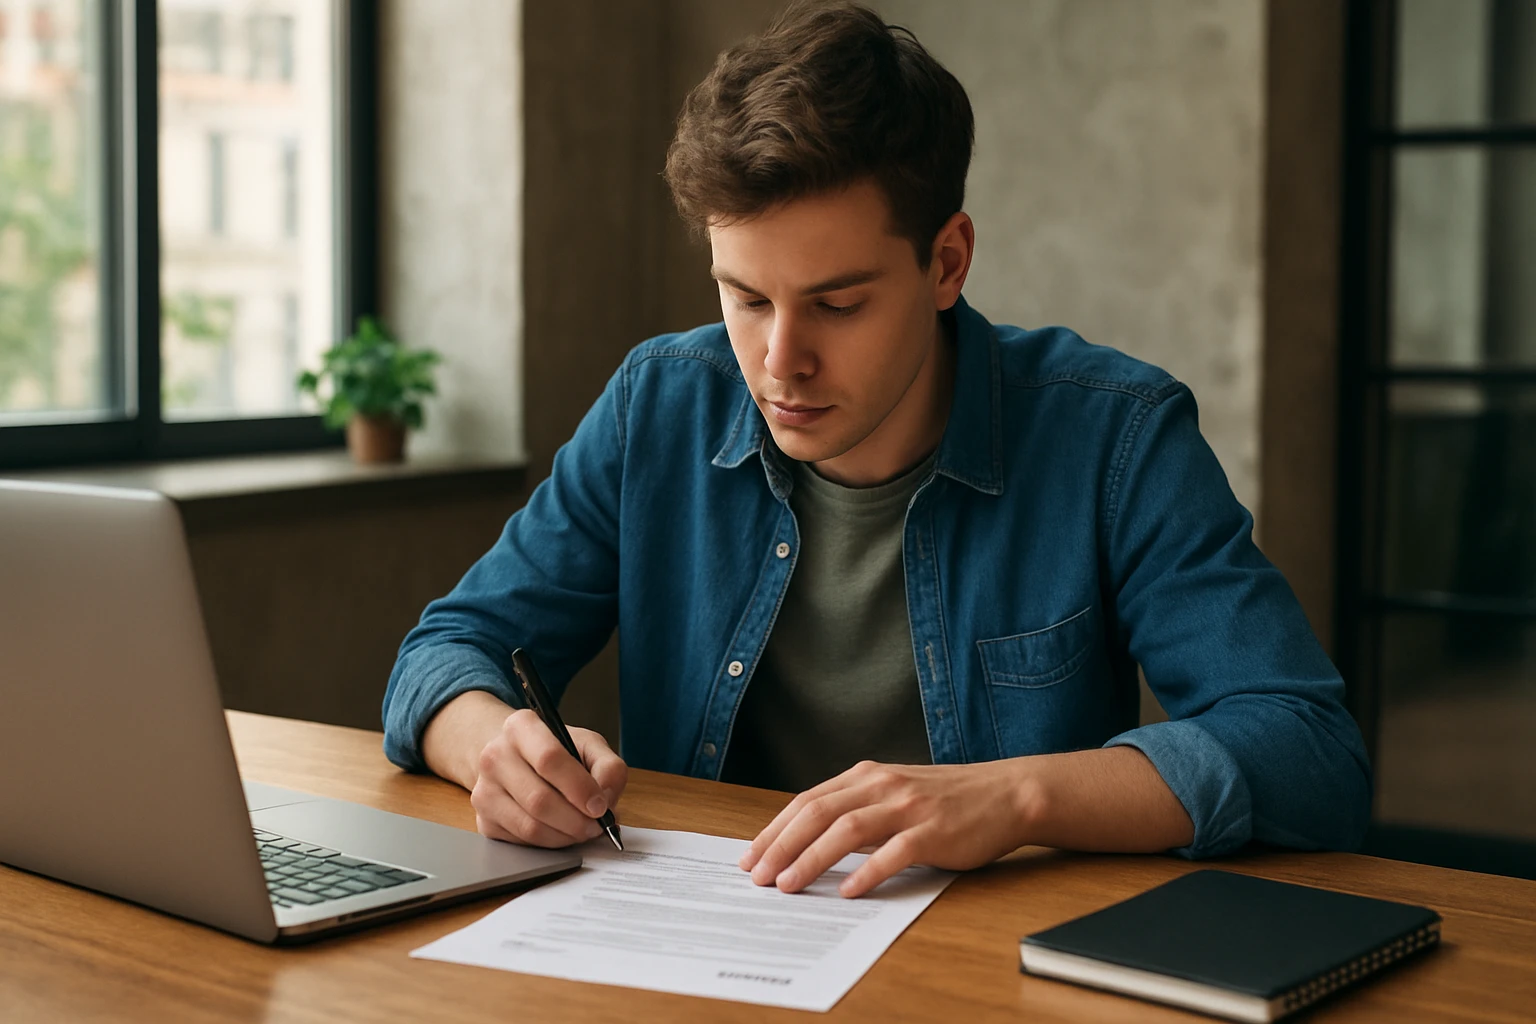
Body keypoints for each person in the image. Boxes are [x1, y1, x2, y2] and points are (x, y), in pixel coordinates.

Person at [381, 1, 1370, 899]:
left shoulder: (1114, 435)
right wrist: (494, 747)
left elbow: (1309, 749)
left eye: (838, 304)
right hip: (710, 943)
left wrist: (1018, 797)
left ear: (947, 262)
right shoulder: (660, 405)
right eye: (747, 298)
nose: (780, 363)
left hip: (983, 974)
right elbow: (444, 652)